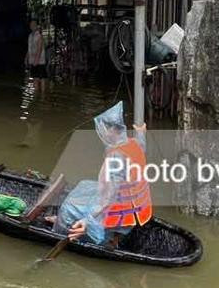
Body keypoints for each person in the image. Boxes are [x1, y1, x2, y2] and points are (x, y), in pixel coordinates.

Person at [54, 102, 153, 247]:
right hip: (139, 209)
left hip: (123, 212)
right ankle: (115, 236)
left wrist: (88, 221)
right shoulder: (133, 144)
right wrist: (140, 132)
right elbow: (142, 145)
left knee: (68, 208)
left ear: (113, 130)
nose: (103, 132)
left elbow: (108, 197)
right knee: (85, 185)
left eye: (105, 128)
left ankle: (63, 227)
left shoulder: (116, 157)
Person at [25, 18, 47, 92]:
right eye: (31, 24)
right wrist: (26, 57)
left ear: (37, 26)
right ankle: (36, 95)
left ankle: (42, 95)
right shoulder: (30, 36)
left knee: (41, 78)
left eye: (34, 24)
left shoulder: (39, 36)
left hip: (40, 61)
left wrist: (36, 61)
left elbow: (39, 49)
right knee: (35, 78)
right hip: (32, 60)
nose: (32, 26)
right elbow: (29, 48)